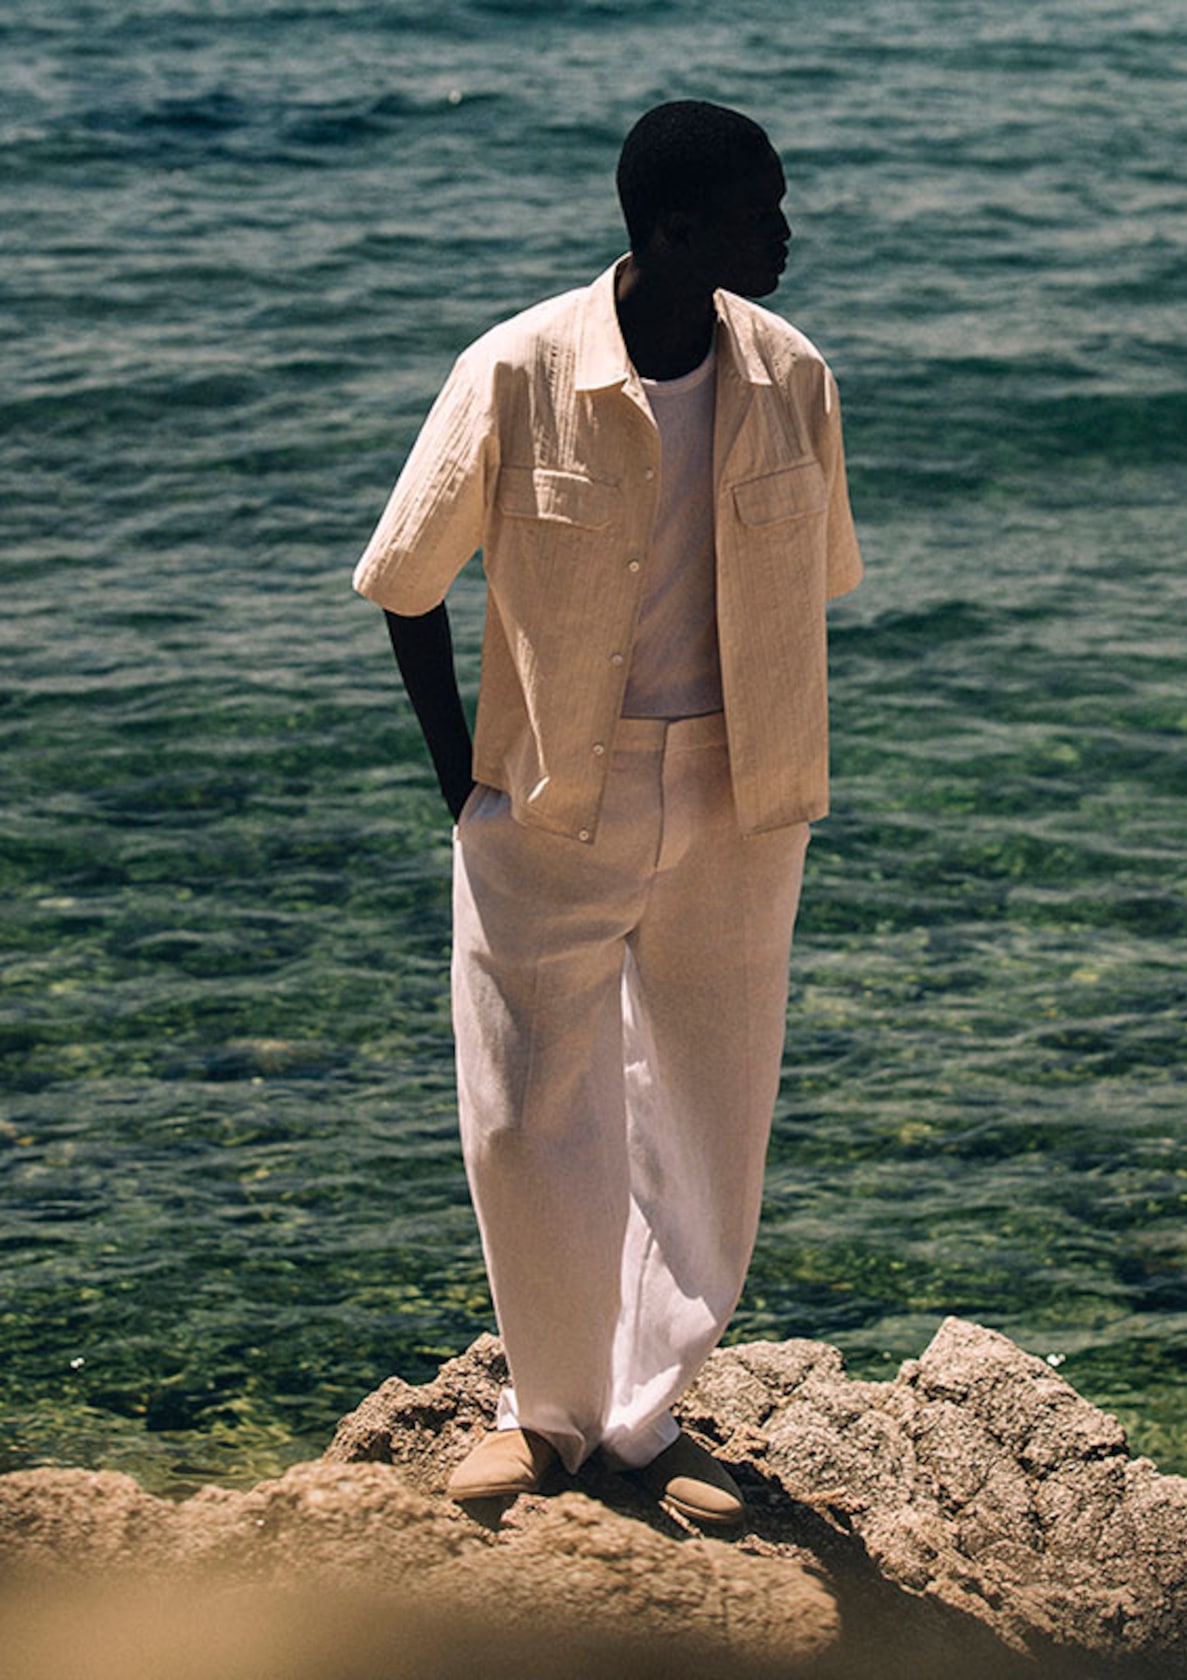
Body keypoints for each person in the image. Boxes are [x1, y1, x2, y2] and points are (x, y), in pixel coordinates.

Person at [353, 100, 862, 1526]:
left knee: (708, 1108)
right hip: (549, 794)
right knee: (528, 1110)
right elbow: (407, 583)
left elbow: (811, 578)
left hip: (740, 791)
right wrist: (464, 782)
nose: (787, 230)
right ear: (678, 232)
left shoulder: (794, 376)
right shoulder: (517, 370)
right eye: (765, 207)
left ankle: (645, 1419)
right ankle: (548, 1414)